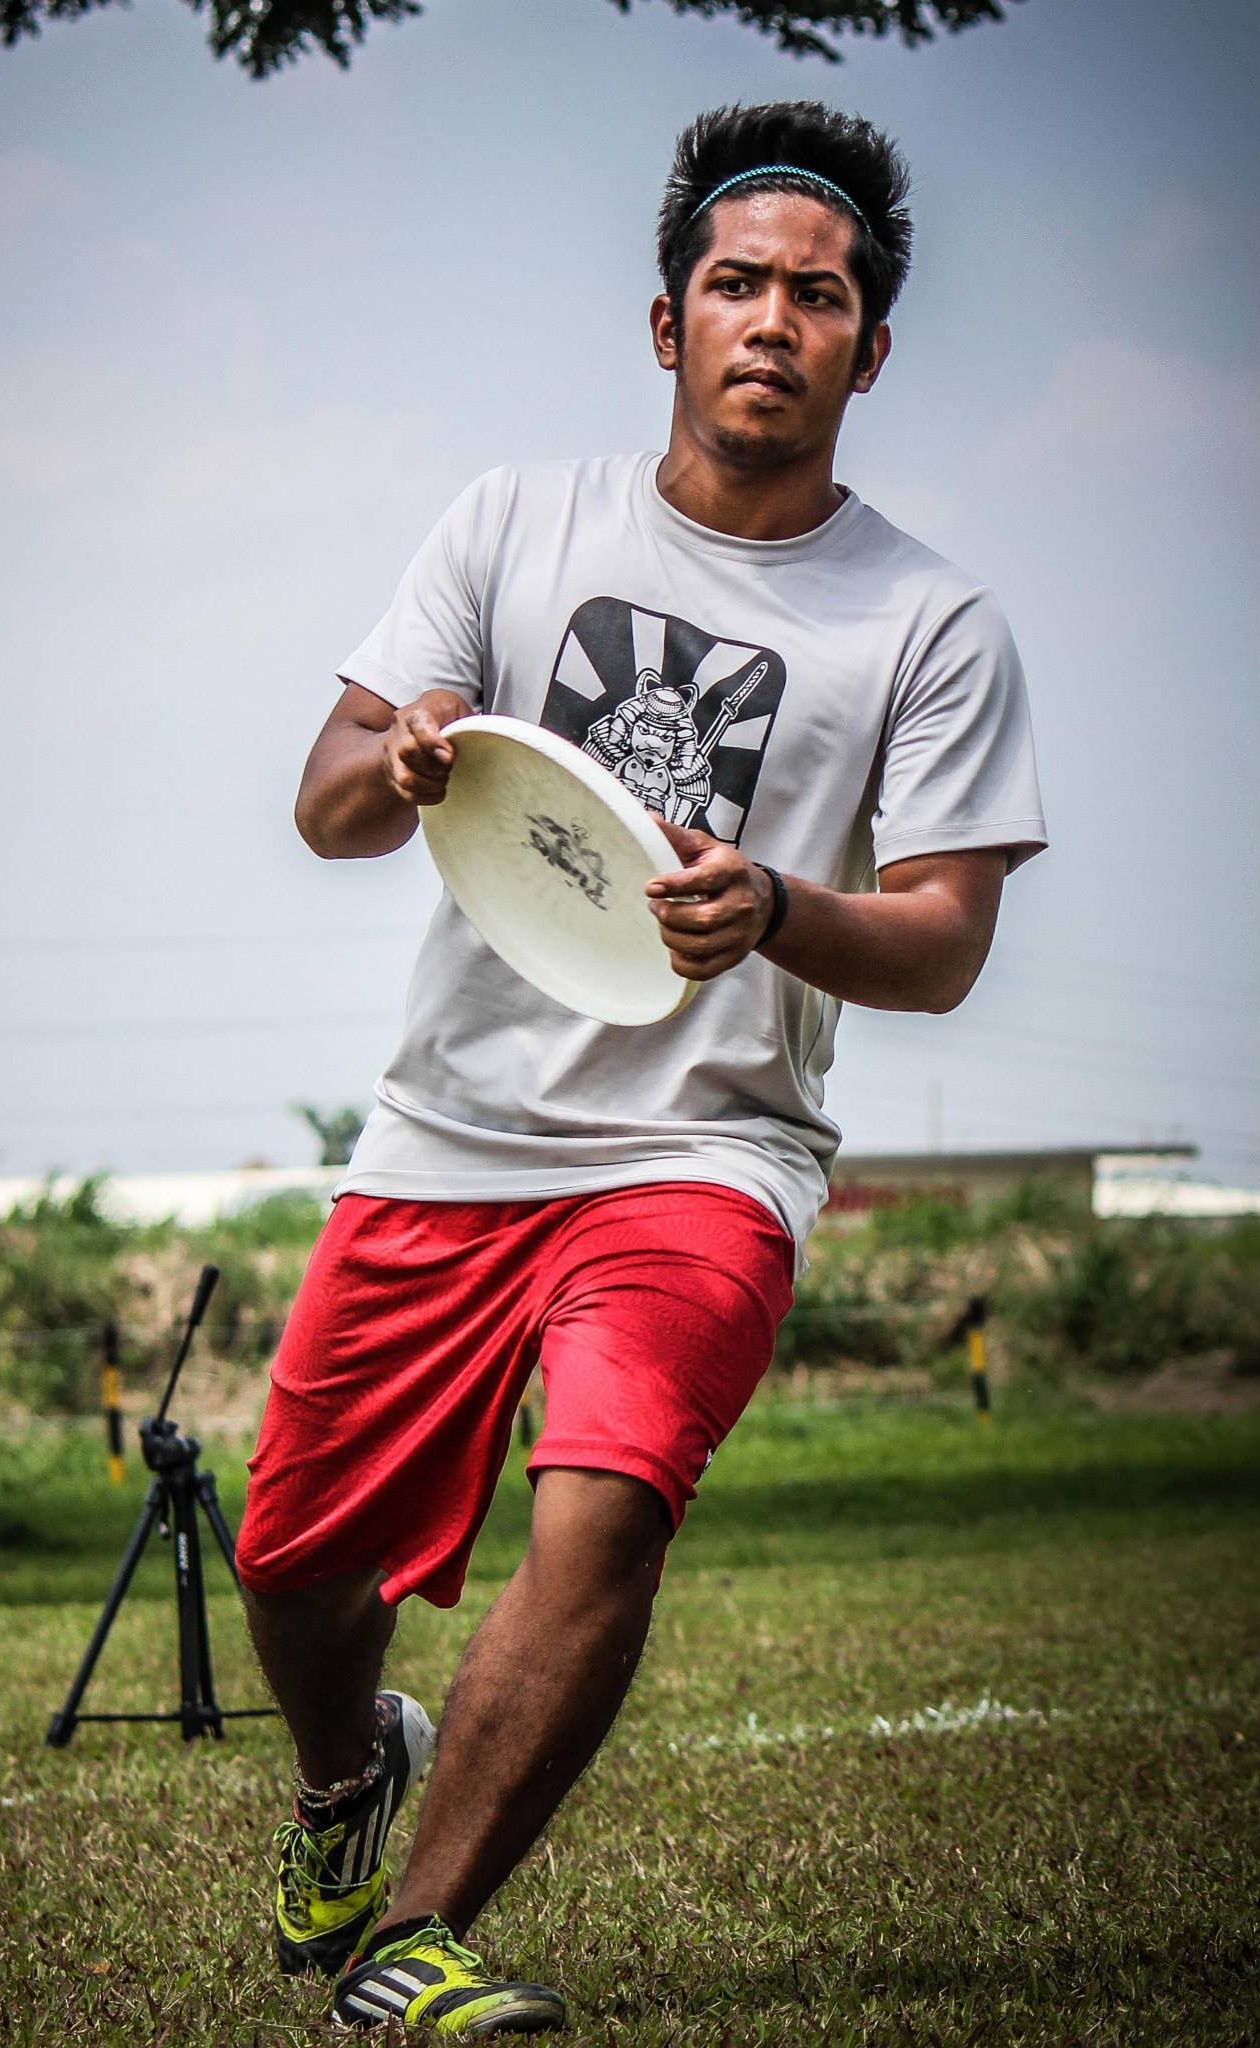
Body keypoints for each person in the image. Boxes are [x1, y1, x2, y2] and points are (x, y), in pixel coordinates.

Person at [234, 99, 1047, 2036]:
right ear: (665, 318)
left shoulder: (929, 620)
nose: (772, 318)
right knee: (287, 1563)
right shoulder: (510, 521)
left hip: (704, 1146)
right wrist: (411, 754)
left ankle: (408, 1941)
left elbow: (933, 943)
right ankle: (348, 1777)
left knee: (598, 1497)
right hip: (448, 1133)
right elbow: (327, 807)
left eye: (818, 294)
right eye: (735, 282)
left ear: (869, 343)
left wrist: (769, 904)